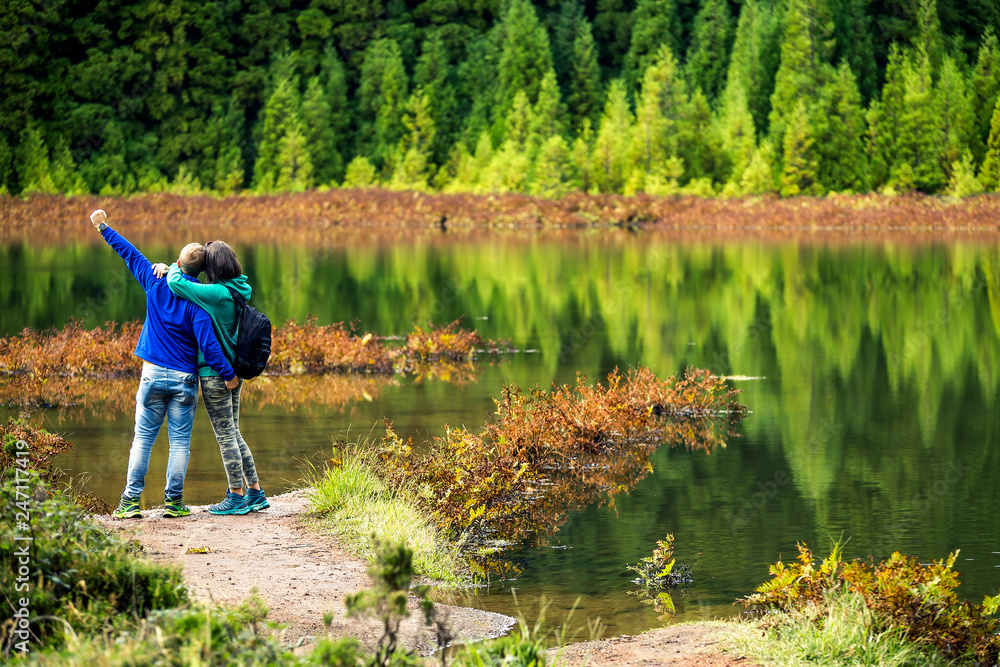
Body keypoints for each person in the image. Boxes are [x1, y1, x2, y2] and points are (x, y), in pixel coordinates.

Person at [89, 209, 239, 519]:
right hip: (184, 379)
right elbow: (210, 347)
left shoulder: (154, 280)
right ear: (200, 271)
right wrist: (228, 374)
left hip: (152, 374)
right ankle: (173, 503)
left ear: (178, 261)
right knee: (180, 443)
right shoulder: (198, 302)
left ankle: (129, 502)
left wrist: (103, 227)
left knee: (142, 439)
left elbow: (127, 252)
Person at [151, 240, 268, 515]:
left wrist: (171, 267)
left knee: (225, 437)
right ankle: (255, 491)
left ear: (212, 268)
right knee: (235, 433)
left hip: (217, 374)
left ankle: (236, 497)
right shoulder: (237, 287)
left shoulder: (215, 293)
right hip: (234, 371)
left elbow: (178, 284)